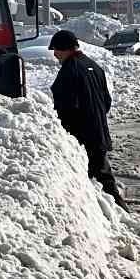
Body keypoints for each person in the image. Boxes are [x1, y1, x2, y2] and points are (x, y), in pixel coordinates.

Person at [49, 30, 126, 208]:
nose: (54, 54)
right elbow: (106, 101)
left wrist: (67, 133)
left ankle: (120, 212)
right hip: (98, 130)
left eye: (56, 50)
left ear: (65, 49)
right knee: (101, 174)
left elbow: (65, 106)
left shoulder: (69, 71)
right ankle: (112, 210)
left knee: (100, 178)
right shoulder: (94, 66)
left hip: (82, 135)